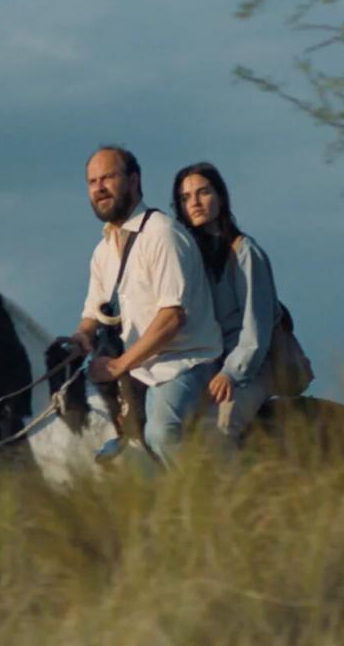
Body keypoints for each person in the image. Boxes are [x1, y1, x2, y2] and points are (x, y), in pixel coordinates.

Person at [68, 146, 222, 466]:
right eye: (92, 181)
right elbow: (90, 317)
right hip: (137, 368)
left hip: (181, 364)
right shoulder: (102, 252)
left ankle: (207, 506)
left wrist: (119, 365)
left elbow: (172, 317)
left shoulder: (161, 234)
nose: (99, 188)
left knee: (161, 434)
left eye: (108, 177)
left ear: (134, 181)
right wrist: (80, 339)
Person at [172, 162, 280, 443]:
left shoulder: (245, 253)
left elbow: (255, 331)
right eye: (185, 198)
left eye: (203, 192)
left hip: (249, 367)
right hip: (208, 364)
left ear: (220, 196)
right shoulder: (190, 260)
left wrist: (231, 373)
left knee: (215, 431)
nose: (194, 202)